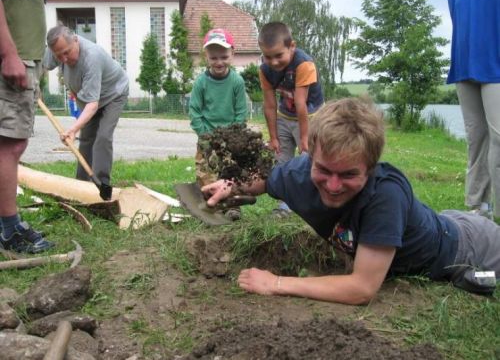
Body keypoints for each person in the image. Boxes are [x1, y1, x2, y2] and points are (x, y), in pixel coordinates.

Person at [203, 98, 500, 305]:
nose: (333, 186)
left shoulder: (385, 196)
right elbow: (265, 180)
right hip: (436, 223)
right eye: (323, 170)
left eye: (348, 174)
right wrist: (229, 186)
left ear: (370, 169)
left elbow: (362, 288)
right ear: (311, 158)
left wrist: (276, 283)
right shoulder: (300, 173)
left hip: (471, 247)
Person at [0, 0, 54, 253]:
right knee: (9, 146)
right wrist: (9, 54)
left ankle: (7, 223)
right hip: (15, 57)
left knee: (13, 146)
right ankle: (9, 230)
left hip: (27, 57)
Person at [44, 25, 129, 187]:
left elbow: (92, 105)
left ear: (76, 40)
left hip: (113, 95)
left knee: (103, 137)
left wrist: (72, 129)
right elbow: (42, 64)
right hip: (89, 97)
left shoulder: (92, 56)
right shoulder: (58, 47)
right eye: (58, 55)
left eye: (67, 53)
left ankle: (102, 185)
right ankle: (81, 185)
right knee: (87, 139)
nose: (63, 60)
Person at [258, 21, 324, 218]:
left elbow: (301, 104)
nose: (274, 62)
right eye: (268, 56)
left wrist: (304, 137)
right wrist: (273, 137)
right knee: (282, 162)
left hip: (310, 116)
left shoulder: (304, 64)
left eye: (279, 55)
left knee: (308, 161)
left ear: (292, 46)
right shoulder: (264, 70)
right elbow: (269, 105)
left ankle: (312, 205)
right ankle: (284, 206)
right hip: (284, 115)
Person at [447, 0, 500, 220]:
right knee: (476, 137)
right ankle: (479, 205)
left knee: (499, 136)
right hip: (465, 63)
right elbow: (455, 16)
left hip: (496, 66)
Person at [189, 28, 248, 220]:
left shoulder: (237, 82)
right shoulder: (201, 83)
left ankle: (233, 206)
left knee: (231, 172)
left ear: (233, 53)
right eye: (213, 58)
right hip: (207, 137)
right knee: (205, 172)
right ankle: (210, 205)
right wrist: (205, 135)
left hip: (230, 138)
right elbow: (195, 112)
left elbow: (241, 112)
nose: (219, 62)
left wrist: (233, 136)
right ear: (206, 56)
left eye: (223, 56)